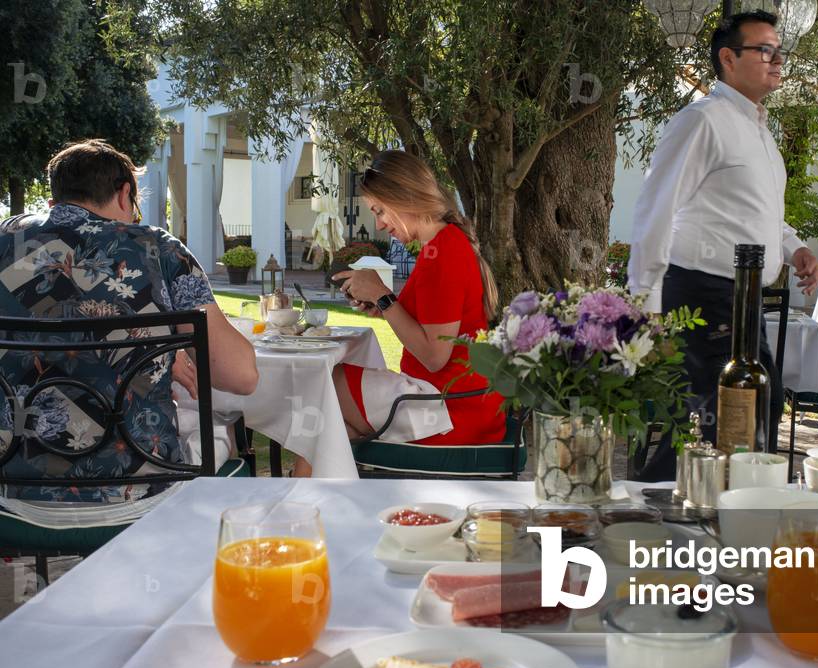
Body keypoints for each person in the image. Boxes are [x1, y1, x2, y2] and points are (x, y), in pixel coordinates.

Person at [0, 139, 258, 526]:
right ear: (125, 193)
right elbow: (240, 376)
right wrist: (163, 351)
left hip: (12, 492)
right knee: (221, 435)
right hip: (138, 488)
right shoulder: (158, 249)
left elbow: (61, 309)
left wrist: (157, 355)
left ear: (56, 197)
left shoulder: (9, 243)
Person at [628, 10, 818, 481]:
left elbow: (755, 212)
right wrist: (645, 301)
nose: (777, 61)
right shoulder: (702, 121)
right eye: (765, 51)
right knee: (720, 417)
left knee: (757, 405)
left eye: (780, 52)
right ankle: (660, 516)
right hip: (701, 292)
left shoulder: (760, 132)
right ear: (728, 58)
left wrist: (793, 246)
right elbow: (656, 207)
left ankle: (728, 509)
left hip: (741, 295)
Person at [286, 150, 504, 477]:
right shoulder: (443, 245)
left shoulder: (444, 252)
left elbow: (434, 355)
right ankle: (313, 506)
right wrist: (384, 305)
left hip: (449, 408)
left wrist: (383, 296)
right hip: (451, 400)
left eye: (379, 211)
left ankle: (300, 509)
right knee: (323, 430)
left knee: (322, 385)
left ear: (403, 198)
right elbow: (432, 323)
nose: (378, 224)